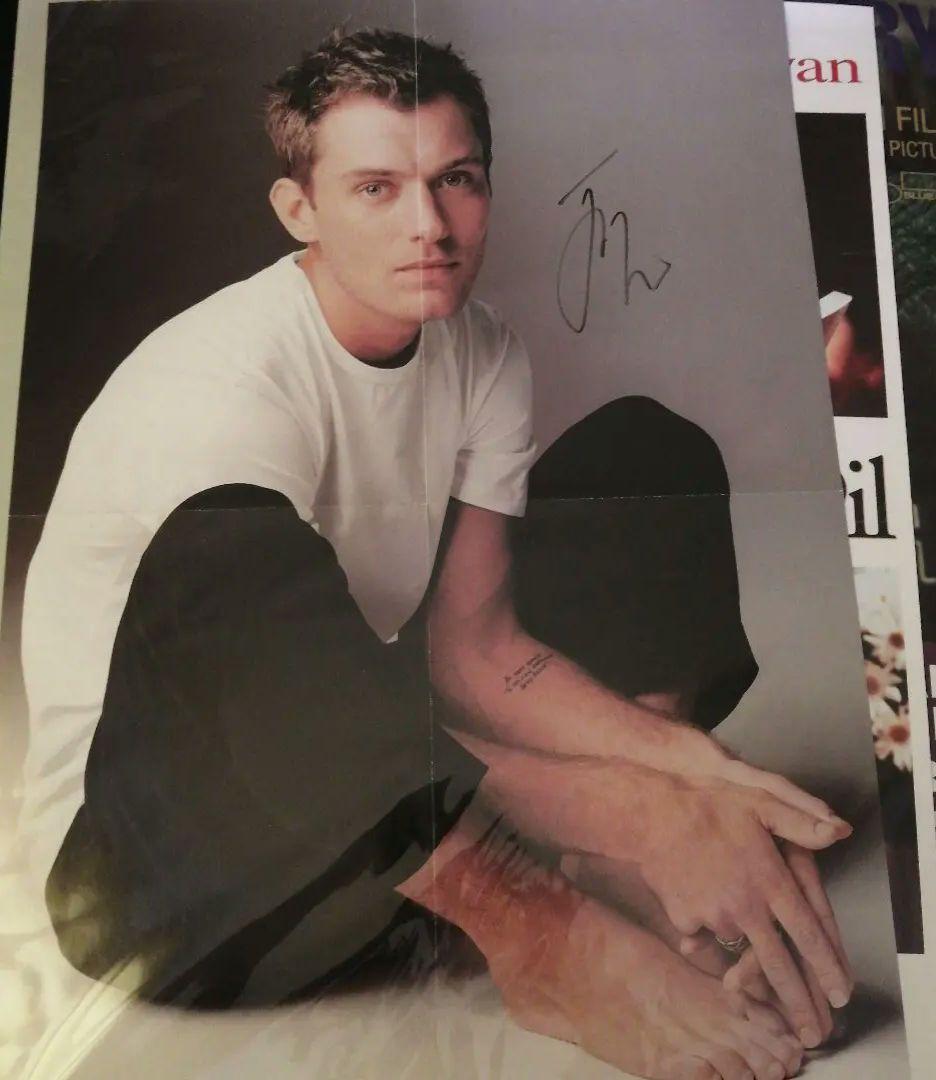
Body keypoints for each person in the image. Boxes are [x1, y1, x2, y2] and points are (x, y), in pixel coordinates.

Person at [21, 27, 853, 1080]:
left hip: (386, 819)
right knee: (225, 550)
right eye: (375, 189)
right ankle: (550, 941)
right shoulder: (217, 390)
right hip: (178, 876)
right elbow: (282, 708)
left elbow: (474, 650)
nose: (429, 225)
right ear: (298, 210)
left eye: (455, 179)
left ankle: (633, 868)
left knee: (643, 451)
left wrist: (689, 770)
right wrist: (622, 801)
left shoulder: (480, 350)